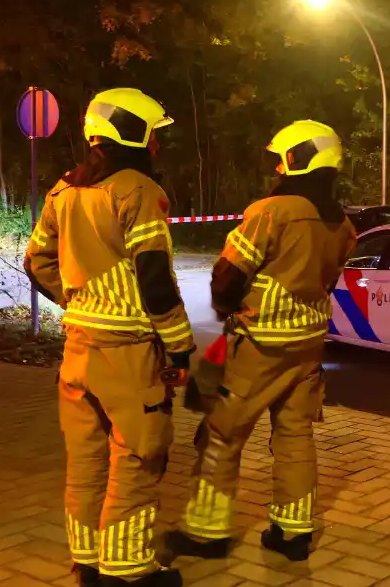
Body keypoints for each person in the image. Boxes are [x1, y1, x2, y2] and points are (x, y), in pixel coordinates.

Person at [164, 120, 356, 563]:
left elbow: (229, 275)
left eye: (279, 158)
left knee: (220, 433)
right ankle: (294, 532)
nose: (276, 167)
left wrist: (225, 308)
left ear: (295, 158)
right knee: (294, 434)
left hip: (259, 344)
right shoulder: (341, 223)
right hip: (308, 345)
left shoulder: (271, 211)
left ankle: (206, 533)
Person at [25, 88, 194, 587]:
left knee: (85, 461)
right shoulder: (137, 189)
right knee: (138, 458)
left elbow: (37, 262)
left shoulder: (62, 190)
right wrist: (181, 346)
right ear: (133, 132)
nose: (159, 145)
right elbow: (156, 280)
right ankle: (129, 571)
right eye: (155, 134)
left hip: (77, 351)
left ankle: (88, 563)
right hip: (128, 357)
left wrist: (82, 300)